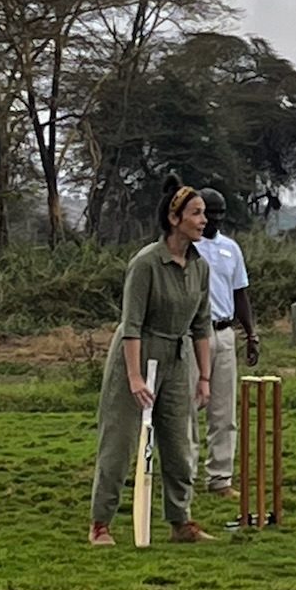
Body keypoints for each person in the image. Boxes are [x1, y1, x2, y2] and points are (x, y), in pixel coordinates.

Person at [89, 175, 215, 546]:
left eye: (204, 213)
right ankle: (101, 524)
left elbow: (201, 325)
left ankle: (180, 522)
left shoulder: (200, 266)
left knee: (179, 445)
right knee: (120, 443)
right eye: (196, 213)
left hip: (177, 360)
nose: (203, 220)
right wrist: (134, 377)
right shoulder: (146, 263)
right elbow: (131, 325)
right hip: (138, 355)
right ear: (175, 219)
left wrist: (204, 377)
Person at [193, 187, 258, 499]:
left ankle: (220, 479)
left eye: (219, 213)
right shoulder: (189, 247)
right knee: (189, 409)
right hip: (193, 335)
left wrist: (251, 334)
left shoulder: (231, 248)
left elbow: (240, 293)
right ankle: (184, 477)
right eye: (209, 213)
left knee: (224, 412)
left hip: (224, 333)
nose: (214, 219)